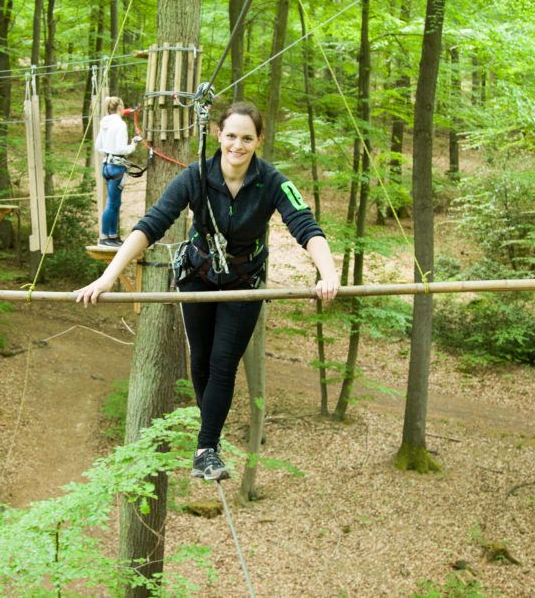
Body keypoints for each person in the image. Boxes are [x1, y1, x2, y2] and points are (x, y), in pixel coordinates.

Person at [77, 101, 339, 481]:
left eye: (246, 138)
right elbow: (151, 225)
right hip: (198, 276)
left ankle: (206, 449)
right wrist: (108, 278)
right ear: (218, 134)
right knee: (200, 360)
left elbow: (306, 227)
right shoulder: (196, 176)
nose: (237, 145)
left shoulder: (272, 182)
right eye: (231, 136)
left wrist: (328, 274)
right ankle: (210, 427)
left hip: (243, 283)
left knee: (223, 362)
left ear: (259, 140)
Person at [95, 96, 136, 247]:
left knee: (115, 202)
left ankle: (112, 236)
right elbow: (120, 148)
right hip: (116, 167)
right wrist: (132, 145)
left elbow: (98, 146)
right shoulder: (120, 124)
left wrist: (109, 152)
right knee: (112, 203)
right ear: (119, 108)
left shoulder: (105, 123)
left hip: (107, 166)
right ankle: (105, 237)